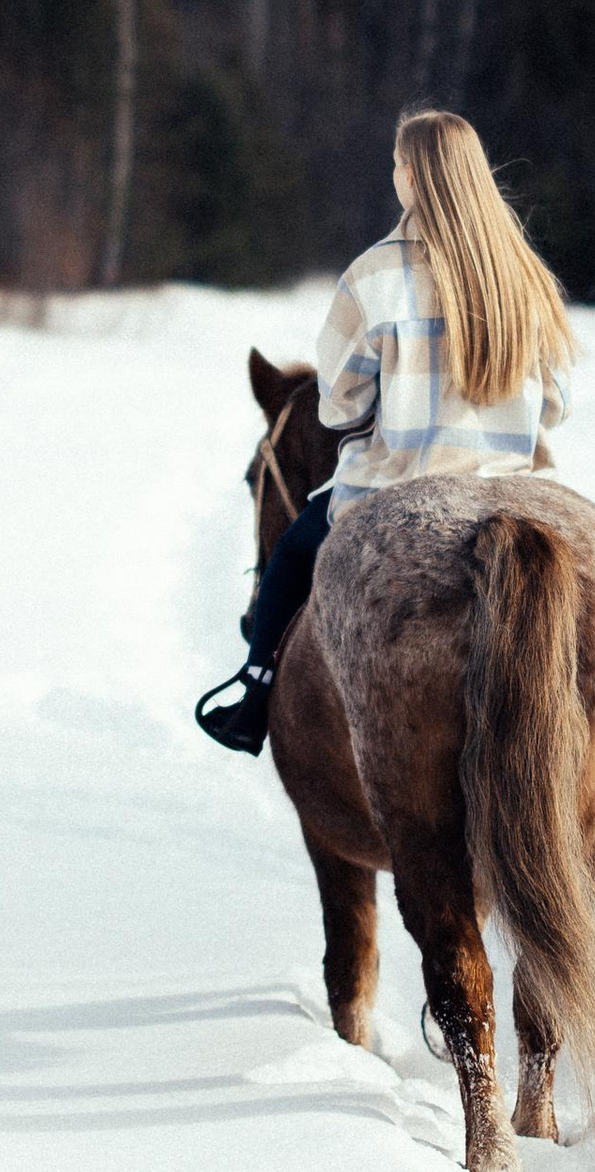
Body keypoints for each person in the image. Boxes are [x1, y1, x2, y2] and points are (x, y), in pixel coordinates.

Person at [194, 107, 574, 754]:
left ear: (414, 174)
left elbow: (337, 408)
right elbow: (556, 406)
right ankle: (592, 725)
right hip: (513, 495)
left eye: (398, 163)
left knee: (289, 558)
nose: (393, 174)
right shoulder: (527, 276)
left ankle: (254, 696)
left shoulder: (374, 275)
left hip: (398, 493)